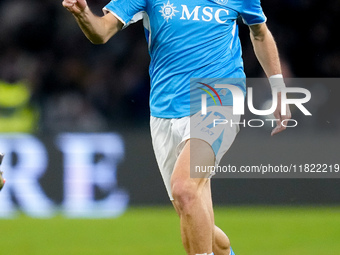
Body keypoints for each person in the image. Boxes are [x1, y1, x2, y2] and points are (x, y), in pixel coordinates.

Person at [62, 0, 291, 254]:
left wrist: (279, 89)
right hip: (165, 110)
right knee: (192, 211)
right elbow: (102, 31)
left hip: (218, 99)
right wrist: (83, 13)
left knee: (184, 188)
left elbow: (259, 33)